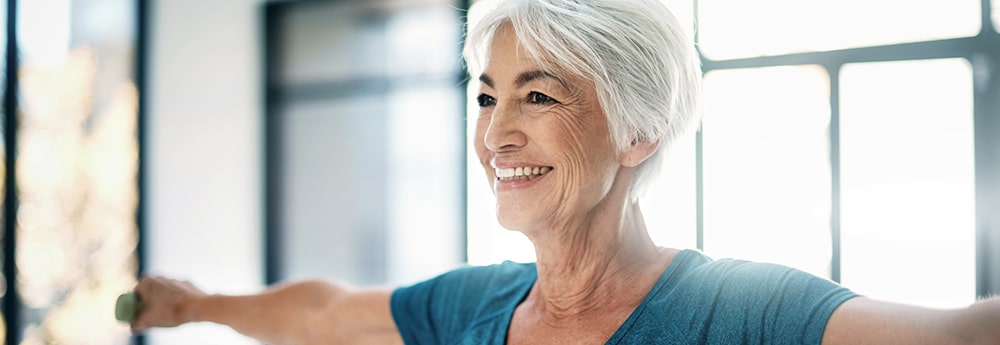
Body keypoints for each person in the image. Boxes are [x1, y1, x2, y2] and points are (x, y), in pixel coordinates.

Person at [131, 0, 1000, 344]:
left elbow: (959, 335)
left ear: (639, 131)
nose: (497, 133)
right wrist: (198, 303)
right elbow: (321, 312)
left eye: (538, 97)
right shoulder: (475, 306)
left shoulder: (739, 311)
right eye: (485, 97)